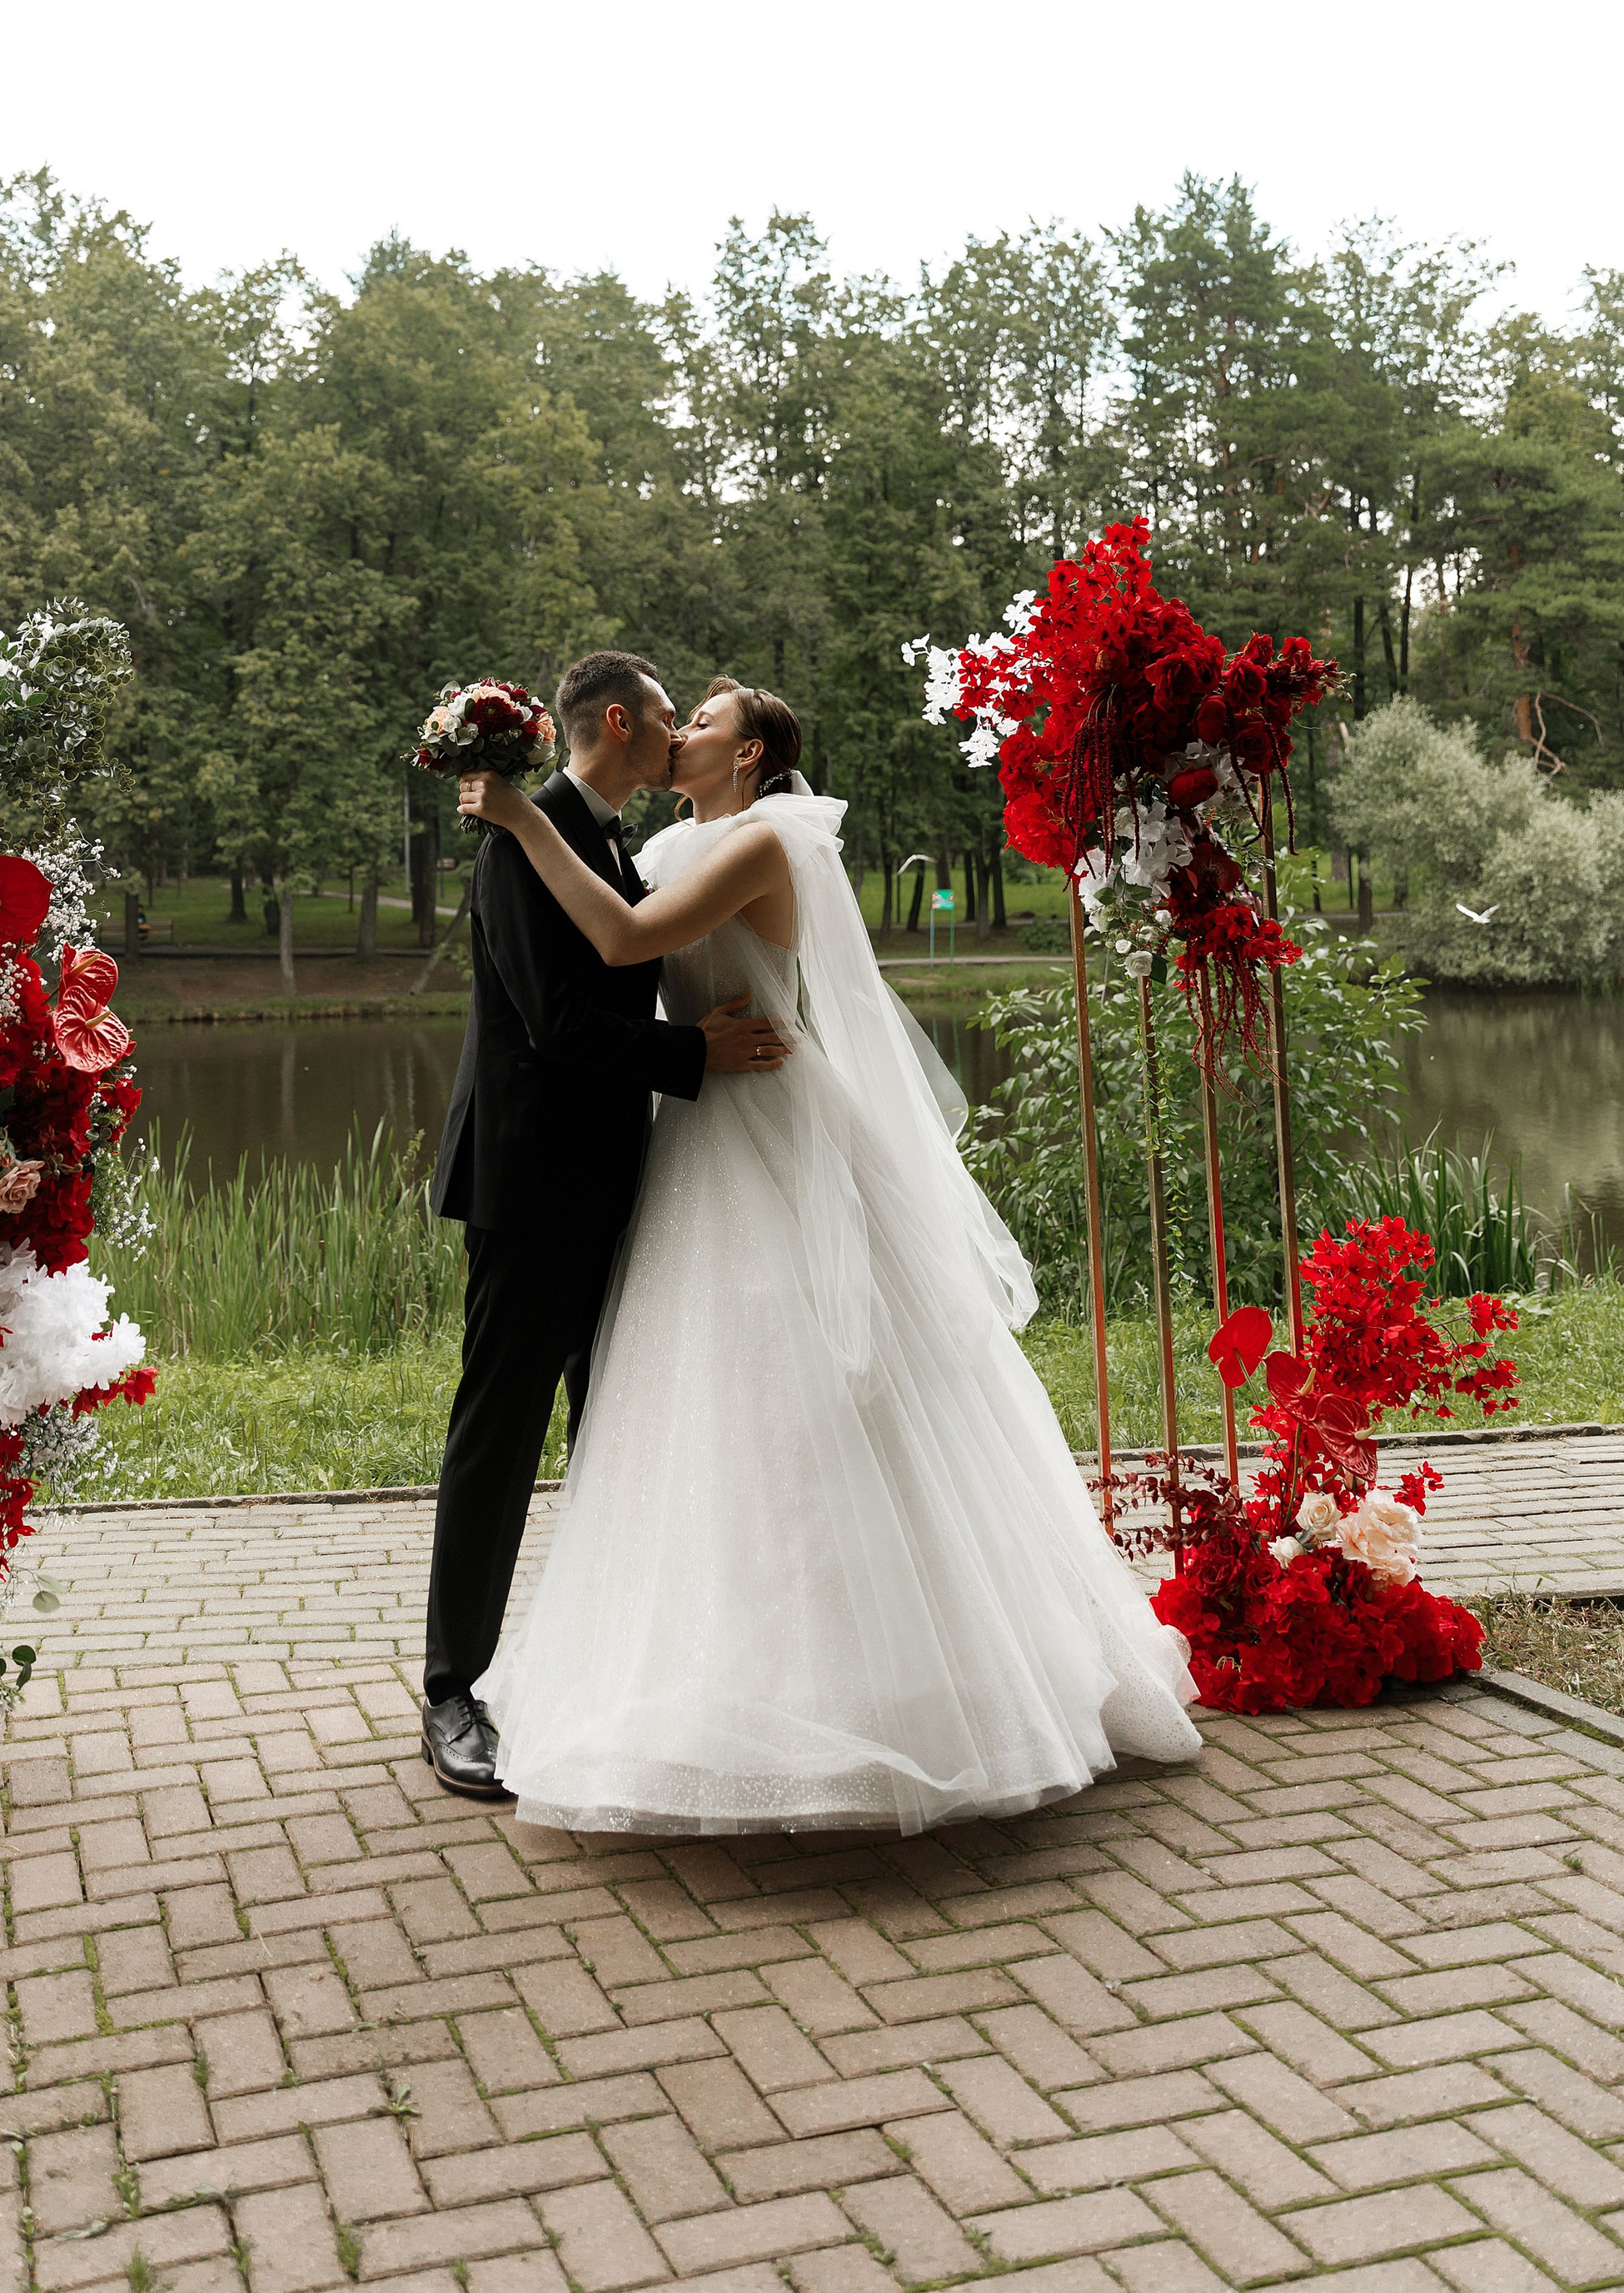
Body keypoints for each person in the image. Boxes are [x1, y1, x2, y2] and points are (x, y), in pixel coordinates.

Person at [454, 678, 1202, 1837]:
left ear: (747, 753)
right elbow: (581, 984)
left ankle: (897, 1686)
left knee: (806, 1393)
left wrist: (517, 816)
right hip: (693, 1132)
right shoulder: (669, 836)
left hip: (762, 1122)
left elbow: (624, 937)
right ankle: (681, 1671)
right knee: (697, 1406)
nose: (682, 733)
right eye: (673, 716)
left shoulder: (768, 843)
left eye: (699, 722)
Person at [421, 651, 792, 1800]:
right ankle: (451, 1690)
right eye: (668, 719)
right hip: (530, 1191)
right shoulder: (518, 848)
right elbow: (557, 1026)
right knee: (500, 1433)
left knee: (613, 1431)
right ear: (621, 723)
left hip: (620, 1184)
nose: (679, 735)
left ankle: (604, 1669)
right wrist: (695, 1054)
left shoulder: (615, 842)